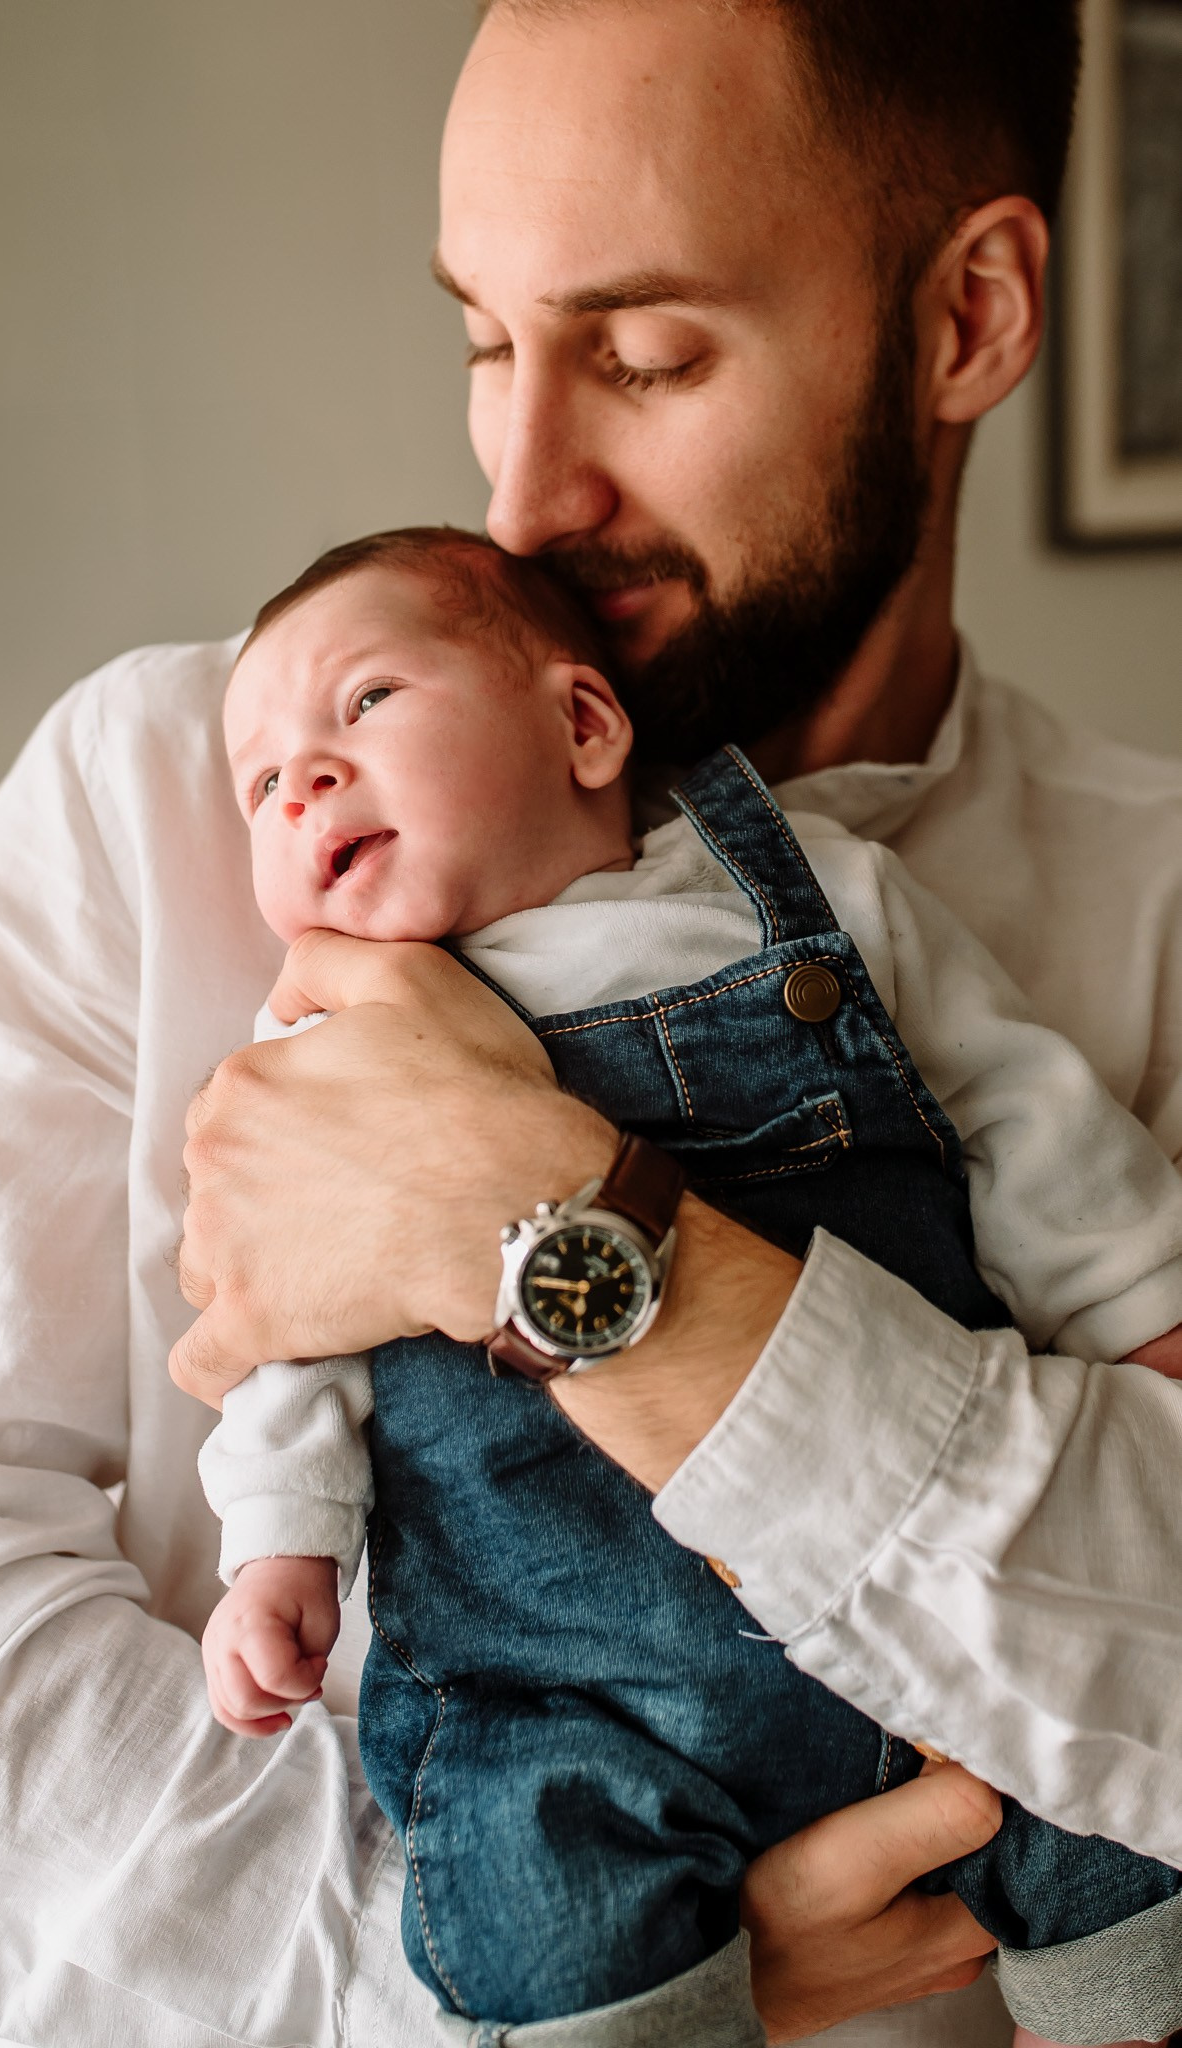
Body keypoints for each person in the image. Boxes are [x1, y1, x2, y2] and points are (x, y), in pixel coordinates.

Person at [0, 2, 1180, 2045]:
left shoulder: (1156, 903)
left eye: (648, 357)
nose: (524, 490)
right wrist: (513, 1976)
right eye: (482, 337)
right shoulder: (168, 798)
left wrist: (542, 1221)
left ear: (967, 317)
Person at [195, 524, 1182, 2046]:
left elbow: (1017, 1107)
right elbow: (286, 1338)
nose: (304, 779)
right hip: (570, 1692)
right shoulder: (313, 1053)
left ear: (584, 725)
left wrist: (1134, 1301)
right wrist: (280, 1544)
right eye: (262, 782)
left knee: (1115, 1803)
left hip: (944, 1630)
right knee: (540, 1900)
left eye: (367, 701)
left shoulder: (809, 898)